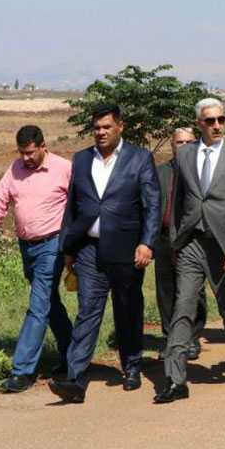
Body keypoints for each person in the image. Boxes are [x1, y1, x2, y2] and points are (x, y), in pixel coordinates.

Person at [50, 105, 160, 403]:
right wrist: (69, 247)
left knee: (127, 309)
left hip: (126, 249)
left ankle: (132, 366)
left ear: (120, 126)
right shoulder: (82, 158)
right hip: (88, 249)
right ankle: (75, 379)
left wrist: (147, 243)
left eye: (106, 127)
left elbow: (152, 205)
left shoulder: (139, 158)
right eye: (96, 127)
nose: (100, 132)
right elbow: (73, 206)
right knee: (87, 311)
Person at [155, 97, 225, 403]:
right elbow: (178, 202)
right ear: (199, 123)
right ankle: (175, 380)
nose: (217, 125)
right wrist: (176, 240)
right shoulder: (185, 155)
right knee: (183, 307)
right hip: (191, 244)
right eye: (210, 120)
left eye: (221, 120)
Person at [0, 125, 74, 393]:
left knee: (38, 304)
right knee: (49, 302)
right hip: (27, 247)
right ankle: (73, 354)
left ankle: (22, 371)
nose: (26, 158)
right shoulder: (15, 169)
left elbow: (81, 204)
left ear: (44, 146)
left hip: (53, 244)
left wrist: (76, 244)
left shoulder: (64, 169)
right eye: (21, 153)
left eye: (31, 153)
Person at [155, 127, 207, 357]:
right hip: (164, 238)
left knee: (193, 290)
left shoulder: (204, 172)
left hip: (193, 238)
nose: (184, 146)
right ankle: (170, 338)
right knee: (166, 290)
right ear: (172, 145)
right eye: (179, 142)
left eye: (189, 142)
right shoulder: (159, 172)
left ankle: (192, 337)